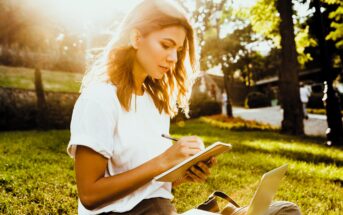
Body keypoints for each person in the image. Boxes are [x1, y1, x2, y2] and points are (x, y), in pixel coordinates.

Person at [67, 1, 301, 214]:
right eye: (166, 45)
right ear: (136, 38)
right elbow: (89, 195)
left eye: (178, 50)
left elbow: (150, 183)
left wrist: (182, 175)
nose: (173, 58)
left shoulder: (153, 102)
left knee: (286, 211)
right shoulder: (99, 99)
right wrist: (163, 161)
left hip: (160, 209)